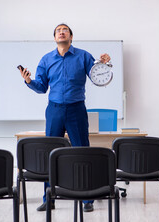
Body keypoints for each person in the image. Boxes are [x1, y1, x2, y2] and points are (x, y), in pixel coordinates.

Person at [19, 23, 111, 212]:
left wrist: (105, 63)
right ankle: (49, 198)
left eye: (65, 30)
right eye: (58, 31)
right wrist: (28, 81)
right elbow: (42, 87)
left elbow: (98, 77)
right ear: (55, 38)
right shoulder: (46, 59)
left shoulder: (83, 56)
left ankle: (87, 199)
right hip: (54, 110)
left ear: (71, 37)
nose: (61, 32)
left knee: (82, 152)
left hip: (76, 109)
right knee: (50, 154)